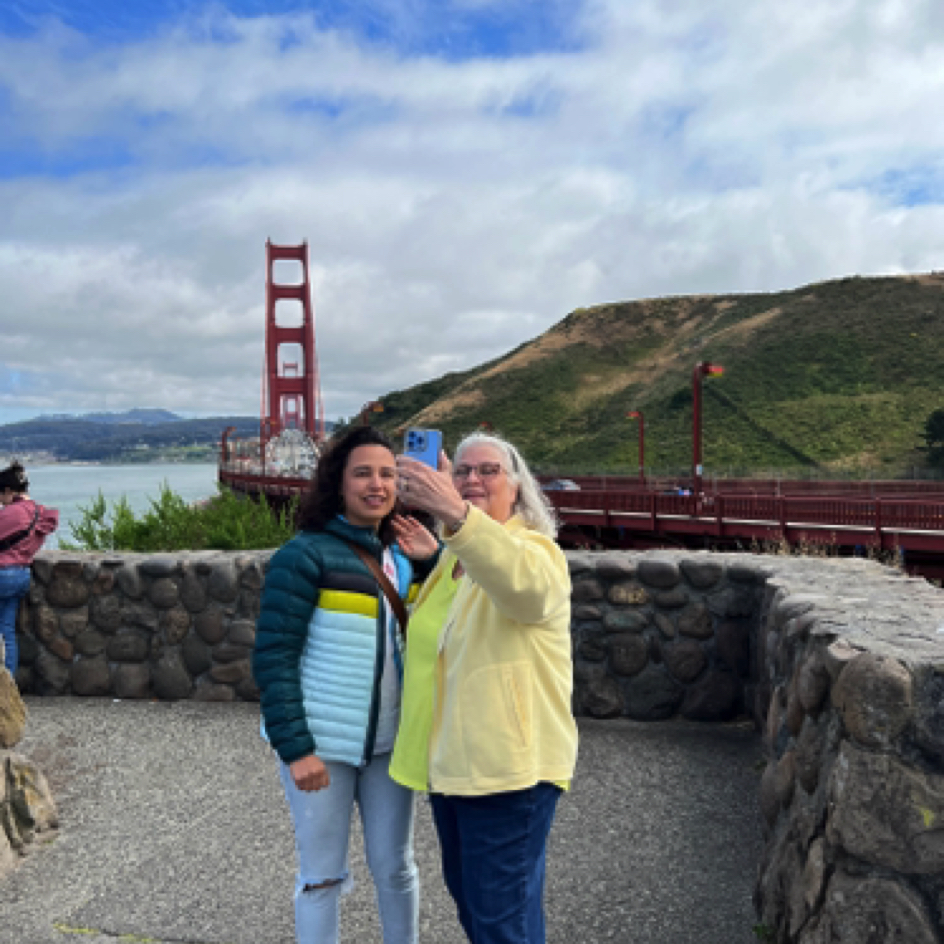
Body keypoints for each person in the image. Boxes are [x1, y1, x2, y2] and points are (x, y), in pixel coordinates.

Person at [389, 431, 579, 944]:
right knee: (487, 913)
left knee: (498, 921)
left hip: (509, 773)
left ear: (517, 488)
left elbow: (524, 590)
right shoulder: (462, 560)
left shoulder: (537, 552)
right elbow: (453, 631)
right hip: (459, 768)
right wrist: (437, 557)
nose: (473, 479)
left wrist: (456, 514)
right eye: (463, 471)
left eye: (488, 470)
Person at [251, 426, 432, 944]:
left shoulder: (404, 558)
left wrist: (434, 556)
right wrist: (296, 748)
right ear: (338, 482)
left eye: (387, 474)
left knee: (397, 867)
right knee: (322, 875)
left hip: (388, 747)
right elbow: (274, 657)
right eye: (363, 473)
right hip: (322, 748)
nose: (377, 484)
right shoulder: (304, 556)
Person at [0, 461, 58, 678]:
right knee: (7, 632)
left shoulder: (10, 514)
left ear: (8, 491)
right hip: (21, 575)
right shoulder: (38, 512)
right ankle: (7, 688)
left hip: (2, 573)